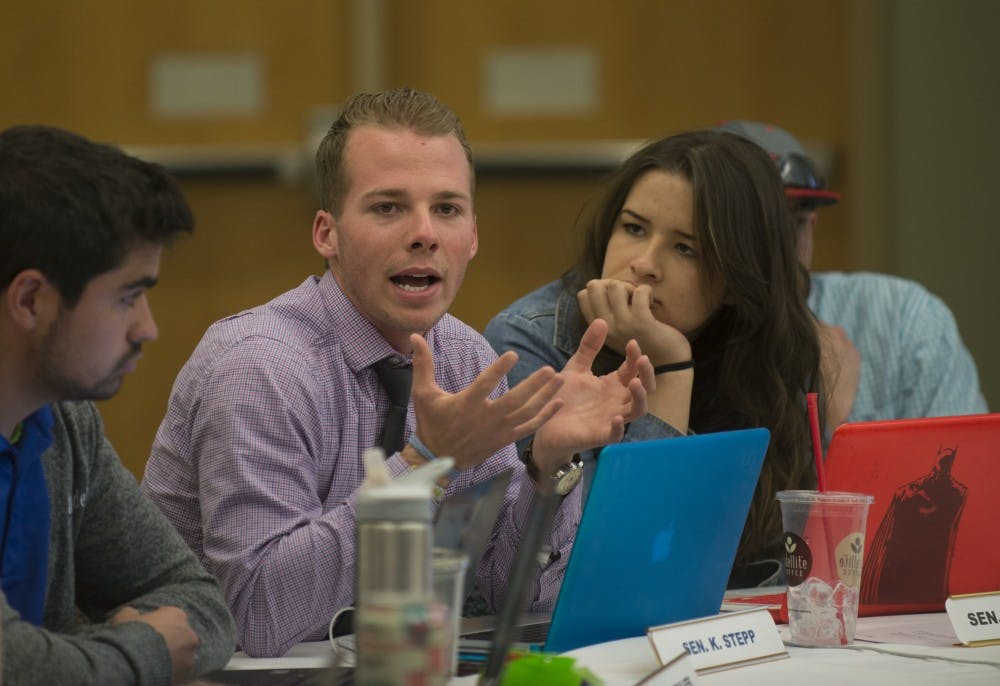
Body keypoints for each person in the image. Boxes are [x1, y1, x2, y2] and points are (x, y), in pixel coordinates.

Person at [141, 88, 653, 657]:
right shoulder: (259, 367)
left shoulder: (467, 359)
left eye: (447, 209)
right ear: (325, 233)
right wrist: (424, 464)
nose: (425, 233)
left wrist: (547, 466)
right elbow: (259, 618)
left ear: (474, 237)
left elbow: (517, 599)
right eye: (388, 207)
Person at [485, 130, 824, 587]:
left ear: (738, 276)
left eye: (686, 248)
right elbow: (615, 567)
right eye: (634, 228)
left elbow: (783, 557)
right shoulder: (529, 340)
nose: (644, 263)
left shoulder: (766, 349)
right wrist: (669, 366)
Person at [0, 125, 236, 684]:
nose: (147, 328)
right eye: (127, 296)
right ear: (30, 300)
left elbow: (200, 604)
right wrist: (138, 653)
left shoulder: (62, 422)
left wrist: (103, 657)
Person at [716, 120, 988, 426]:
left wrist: (839, 429)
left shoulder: (904, 321)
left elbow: (961, 472)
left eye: (795, 223)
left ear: (812, 224)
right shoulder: (672, 338)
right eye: (755, 227)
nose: (779, 252)